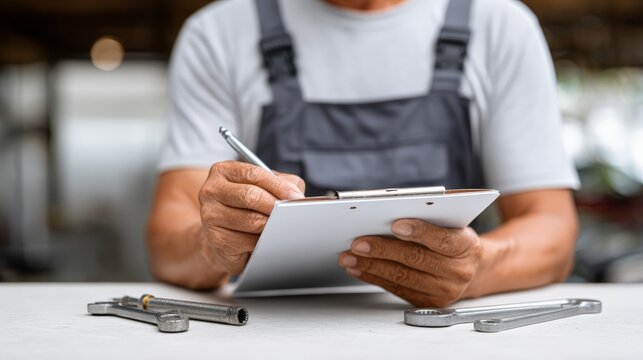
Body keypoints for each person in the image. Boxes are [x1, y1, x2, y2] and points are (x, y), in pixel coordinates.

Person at [147, 0, 580, 307]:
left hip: (439, 336)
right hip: (271, 337)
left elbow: (553, 231)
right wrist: (212, 243)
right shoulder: (218, 33)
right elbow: (167, 238)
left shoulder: (500, 25)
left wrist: (479, 267)